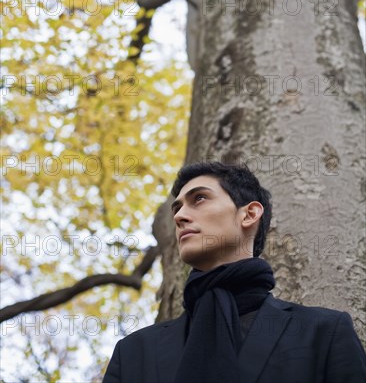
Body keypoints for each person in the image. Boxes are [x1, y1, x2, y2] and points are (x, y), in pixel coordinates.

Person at [103, 162, 366, 383]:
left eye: (199, 198)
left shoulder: (323, 333)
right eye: (177, 208)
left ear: (249, 214)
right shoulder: (133, 354)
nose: (180, 216)